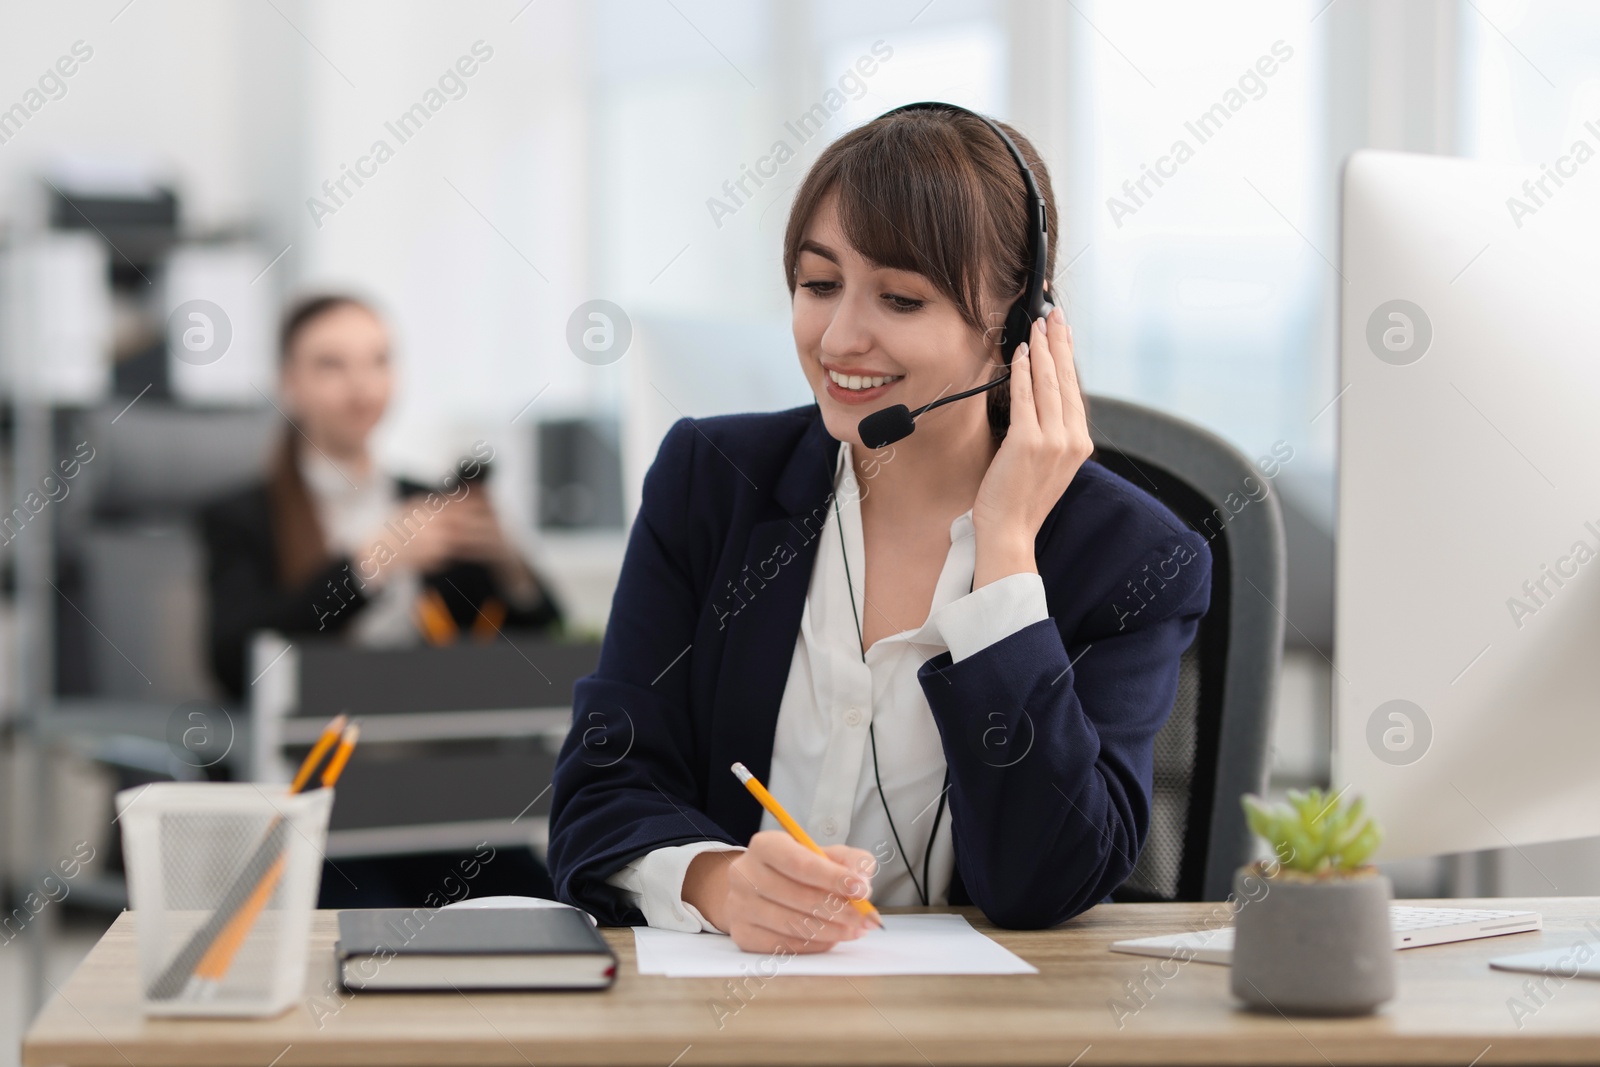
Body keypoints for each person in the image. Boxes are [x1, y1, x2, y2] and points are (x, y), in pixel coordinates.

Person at [549, 104, 1211, 953]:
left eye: (900, 298)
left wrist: (1006, 560)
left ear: (1016, 326)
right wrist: (718, 882)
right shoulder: (712, 481)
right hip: (723, 1002)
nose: (839, 337)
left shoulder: (1130, 558)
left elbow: (1045, 882)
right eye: (819, 284)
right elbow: (599, 788)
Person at [201, 293, 563, 905]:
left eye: (377, 361)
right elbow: (235, 659)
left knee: (547, 907)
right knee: (366, 930)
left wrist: (507, 561)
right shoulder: (243, 517)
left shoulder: (427, 501)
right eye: (331, 365)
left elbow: (538, 643)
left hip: (443, 796)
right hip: (322, 804)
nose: (361, 384)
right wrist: (366, 569)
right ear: (289, 384)